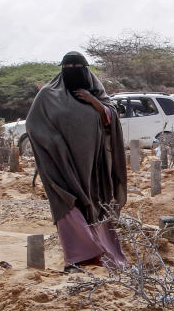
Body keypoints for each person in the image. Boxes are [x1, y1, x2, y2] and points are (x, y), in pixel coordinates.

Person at [26, 51, 128, 271]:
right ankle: (78, 257)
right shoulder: (47, 95)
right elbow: (34, 125)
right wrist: (55, 144)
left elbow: (111, 119)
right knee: (67, 203)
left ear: (86, 68)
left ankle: (101, 255)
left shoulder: (96, 92)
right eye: (68, 66)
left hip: (94, 166)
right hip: (62, 165)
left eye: (77, 65)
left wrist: (94, 103)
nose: (72, 69)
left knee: (96, 205)